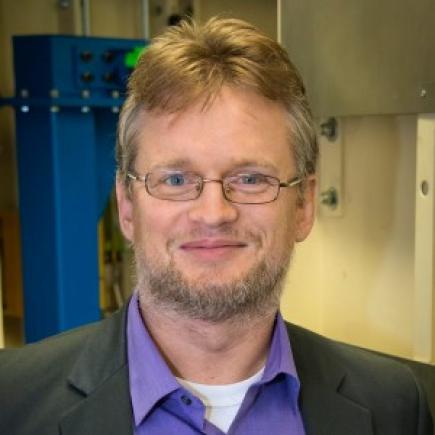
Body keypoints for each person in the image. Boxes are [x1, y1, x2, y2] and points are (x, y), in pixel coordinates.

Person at [0, 17, 432, 435]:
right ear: (126, 207)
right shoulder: (12, 402)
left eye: (250, 179)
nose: (213, 213)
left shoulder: (395, 406)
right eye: (175, 179)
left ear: (303, 205)